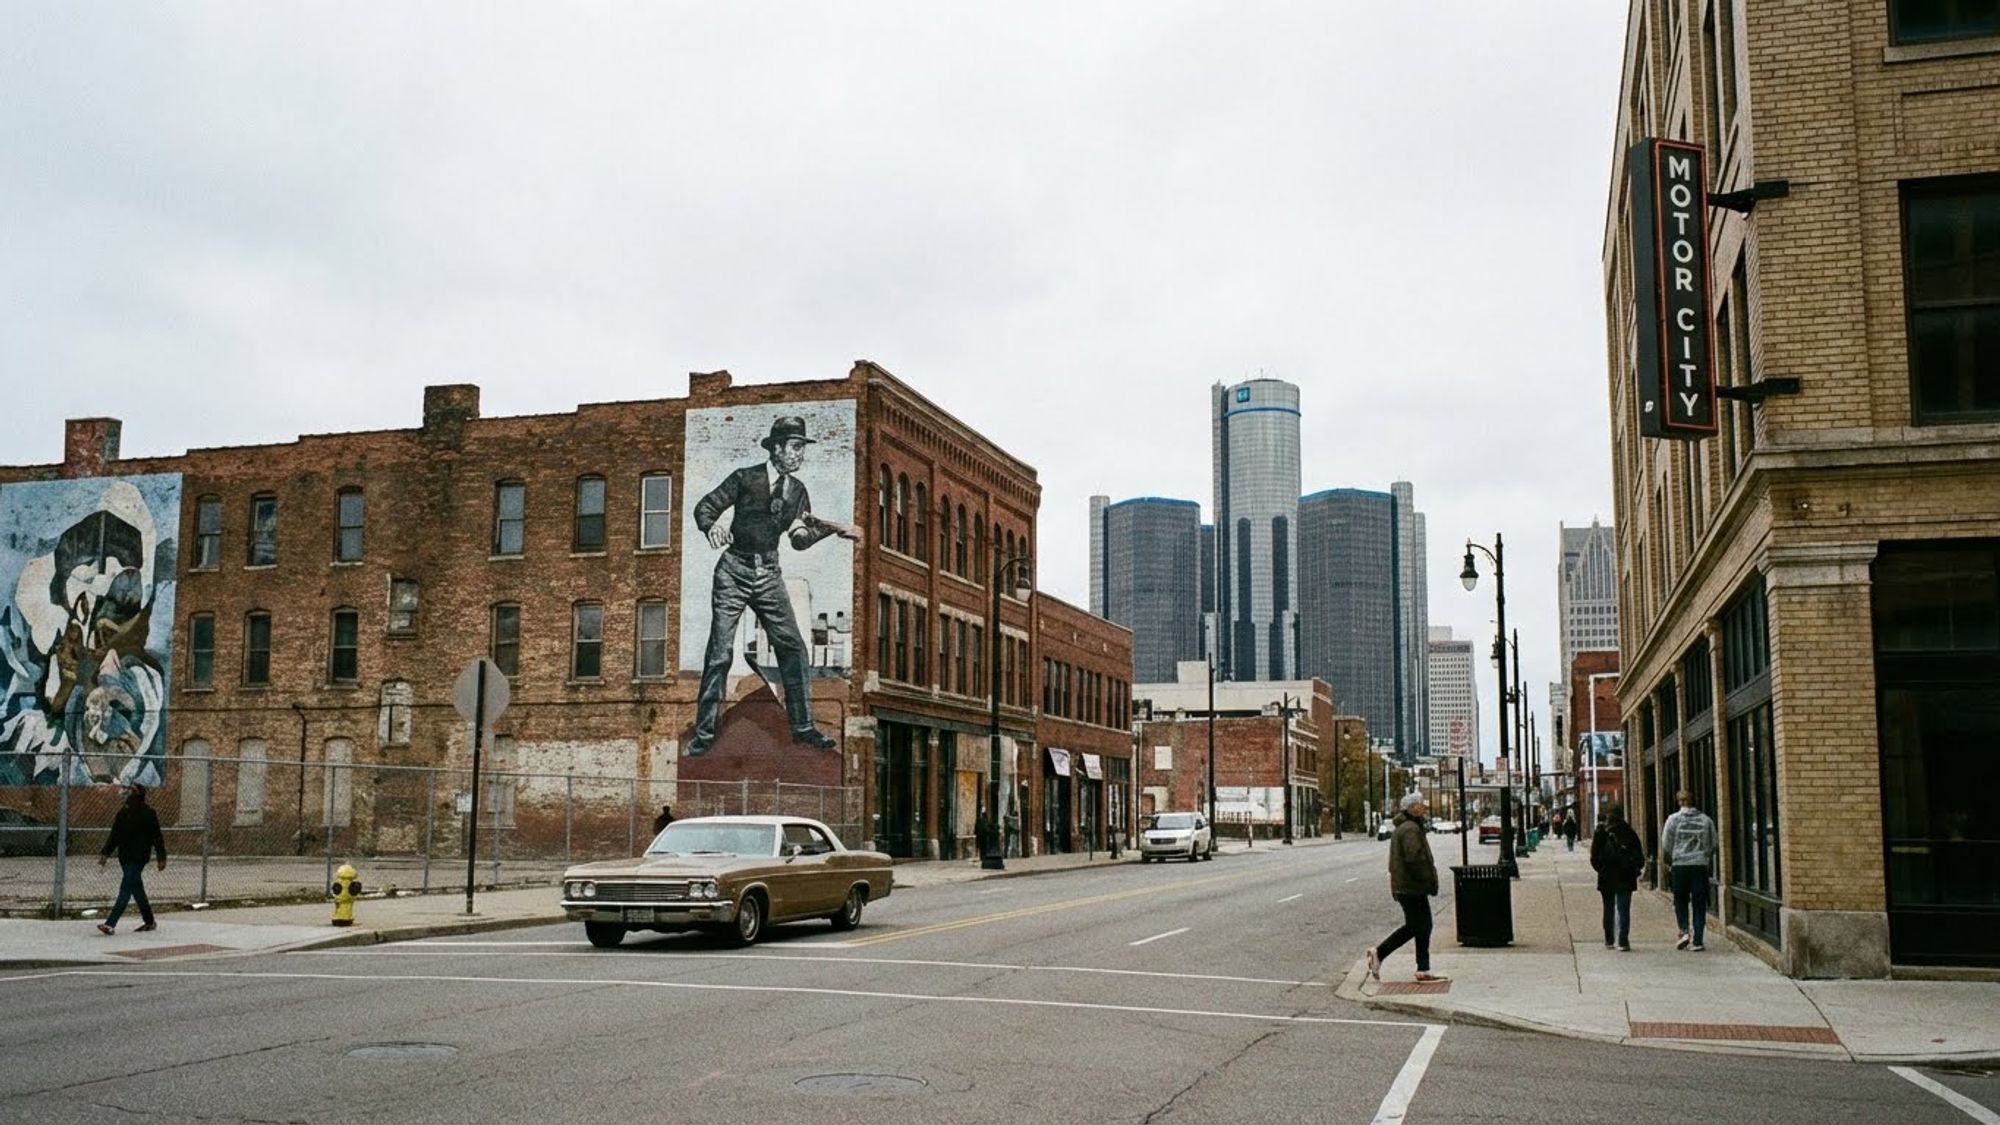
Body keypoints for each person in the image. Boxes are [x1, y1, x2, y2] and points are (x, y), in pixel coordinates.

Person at [686, 416, 861, 757]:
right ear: (777, 448)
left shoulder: (797, 491)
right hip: (733, 571)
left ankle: (804, 727)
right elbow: (705, 507)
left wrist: (830, 529)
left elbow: (799, 539)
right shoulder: (744, 477)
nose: (799, 454)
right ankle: (704, 734)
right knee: (720, 653)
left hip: (768, 574)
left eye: (802, 448)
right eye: (794, 447)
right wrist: (712, 527)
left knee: (793, 648)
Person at [1365, 792, 1447, 983]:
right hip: (1412, 887)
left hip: (1406, 886)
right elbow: (1415, 858)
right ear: (1411, 808)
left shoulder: (1406, 827)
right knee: (1419, 925)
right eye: (1420, 805)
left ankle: (1422, 968)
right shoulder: (1410, 829)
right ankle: (1380, 953)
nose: (1423, 807)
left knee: (1420, 925)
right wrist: (1427, 880)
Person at [95, 782, 166, 934]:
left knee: (125, 889)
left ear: (138, 793)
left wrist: (161, 857)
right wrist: (105, 853)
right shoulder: (123, 812)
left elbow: (157, 837)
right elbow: (114, 835)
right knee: (137, 889)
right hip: (125, 856)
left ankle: (110, 924)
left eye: (131, 790)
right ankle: (150, 921)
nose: (127, 792)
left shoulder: (148, 813)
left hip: (139, 857)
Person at [1662, 789, 1719, 951]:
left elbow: (1666, 843)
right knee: (1699, 903)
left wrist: (1674, 856)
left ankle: (1684, 931)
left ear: (1679, 802)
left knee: (1680, 900)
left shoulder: (1673, 820)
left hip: (1680, 865)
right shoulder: (1706, 820)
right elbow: (1713, 843)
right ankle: (1698, 940)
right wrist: (1704, 855)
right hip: (1699, 865)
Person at [1589, 802, 1645, 951]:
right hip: (1625, 875)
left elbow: (1594, 857)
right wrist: (1634, 868)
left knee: (1608, 908)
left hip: (1607, 875)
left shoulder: (1601, 832)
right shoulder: (1629, 832)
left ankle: (1609, 939)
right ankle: (1623, 940)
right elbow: (1639, 857)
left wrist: (1601, 869)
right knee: (1623, 908)